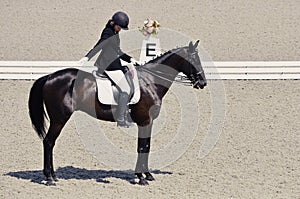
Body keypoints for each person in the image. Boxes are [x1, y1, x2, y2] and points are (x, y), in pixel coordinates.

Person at [79, 11, 139, 127]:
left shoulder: (115, 32)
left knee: (128, 73)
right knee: (125, 89)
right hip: (108, 66)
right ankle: (121, 119)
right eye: (119, 26)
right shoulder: (108, 32)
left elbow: (117, 51)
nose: (120, 29)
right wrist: (87, 57)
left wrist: (131, 59)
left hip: (114, 63)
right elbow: (99, 45)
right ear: (113, 23)